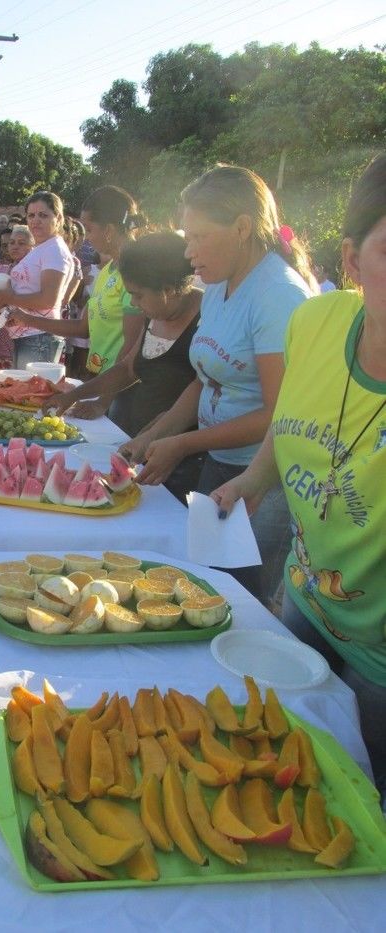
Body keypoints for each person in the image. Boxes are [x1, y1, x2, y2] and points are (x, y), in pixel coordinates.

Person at [211, 153, 386, 800]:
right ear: (351, 261)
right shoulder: (315, 322)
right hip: (303, 605)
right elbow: (289, 417)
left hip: (382, 664)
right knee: (273, 776)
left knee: (356, 811)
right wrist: (255, 480)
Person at [122, 165, 314, 604]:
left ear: (242, 228)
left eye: (197, 237)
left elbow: (277, 415)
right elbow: (204, 381)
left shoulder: (278, 297)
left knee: (239, 601)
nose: (188, 253)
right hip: (218, 463)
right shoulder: (217, 286)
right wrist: (155, 434)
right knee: (200, 593)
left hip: (261, 482)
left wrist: (185, 444)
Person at [48, 232, 203, 501]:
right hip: (140, 443)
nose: (133, 304)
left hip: (182, 457)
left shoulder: (209, 316)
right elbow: (128, 368)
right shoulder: (155, 314)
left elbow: (203, 390)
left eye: (138, 296)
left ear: (167, 291)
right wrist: (75, 394)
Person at [4, 187, 144, 378]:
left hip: (118, 386)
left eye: (89, 229)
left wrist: (102, 397)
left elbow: (130, 348)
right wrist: (25, 318)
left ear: (109, 230)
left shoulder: (135, 273)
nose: (85, 237)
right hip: (102, 379)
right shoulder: (108, 272)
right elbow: (82, 328)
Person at [0, 191, 74, 367]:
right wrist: (2, 305)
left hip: (38, 337)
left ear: (58, 218)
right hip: (29, 336)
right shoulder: (43, 248)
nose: (35, 220)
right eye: (31, 215)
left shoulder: (54, 249)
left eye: (43, 215)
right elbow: (27, 292)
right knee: (22, 392)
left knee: (29, 393)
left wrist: (7, 298)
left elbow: (49, 299)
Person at [0, 225, 35, 373]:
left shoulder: (34, 273)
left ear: (32, 247)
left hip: (23, 337)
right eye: (12, 243)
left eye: (21, 243)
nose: (15, 246)